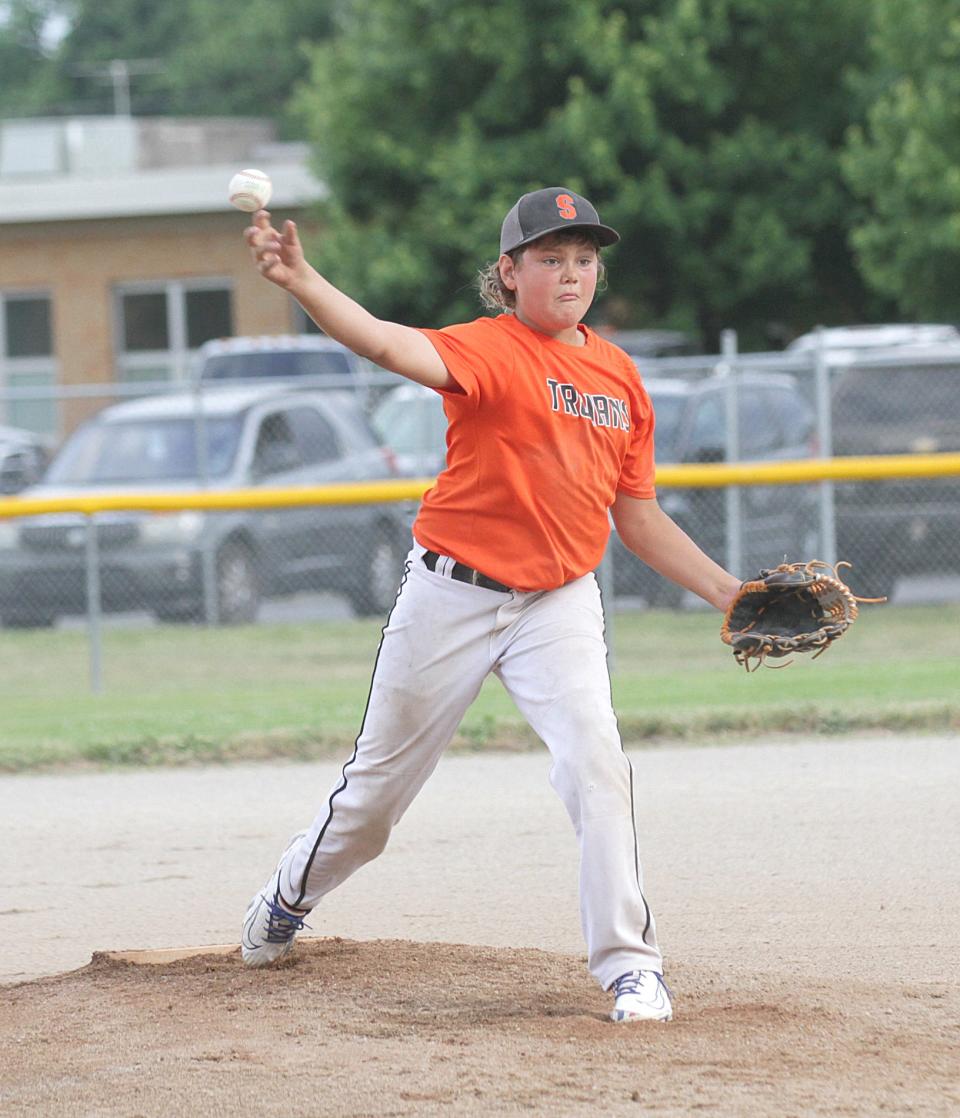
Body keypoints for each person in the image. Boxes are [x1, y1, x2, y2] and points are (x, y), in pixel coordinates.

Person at [239, 186, 741, 1023]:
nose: (571, 273)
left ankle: (630, 967)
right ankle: (292, 892)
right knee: (373, 806)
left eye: (584, 259)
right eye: (551, 258)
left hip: (558, 602)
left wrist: (728, 591)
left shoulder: (619, 376)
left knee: (597, 764)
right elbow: (388, 345)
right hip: (452, 592)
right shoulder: (488, 350)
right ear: (509, 274)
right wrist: (303, 283)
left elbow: (639, 517)